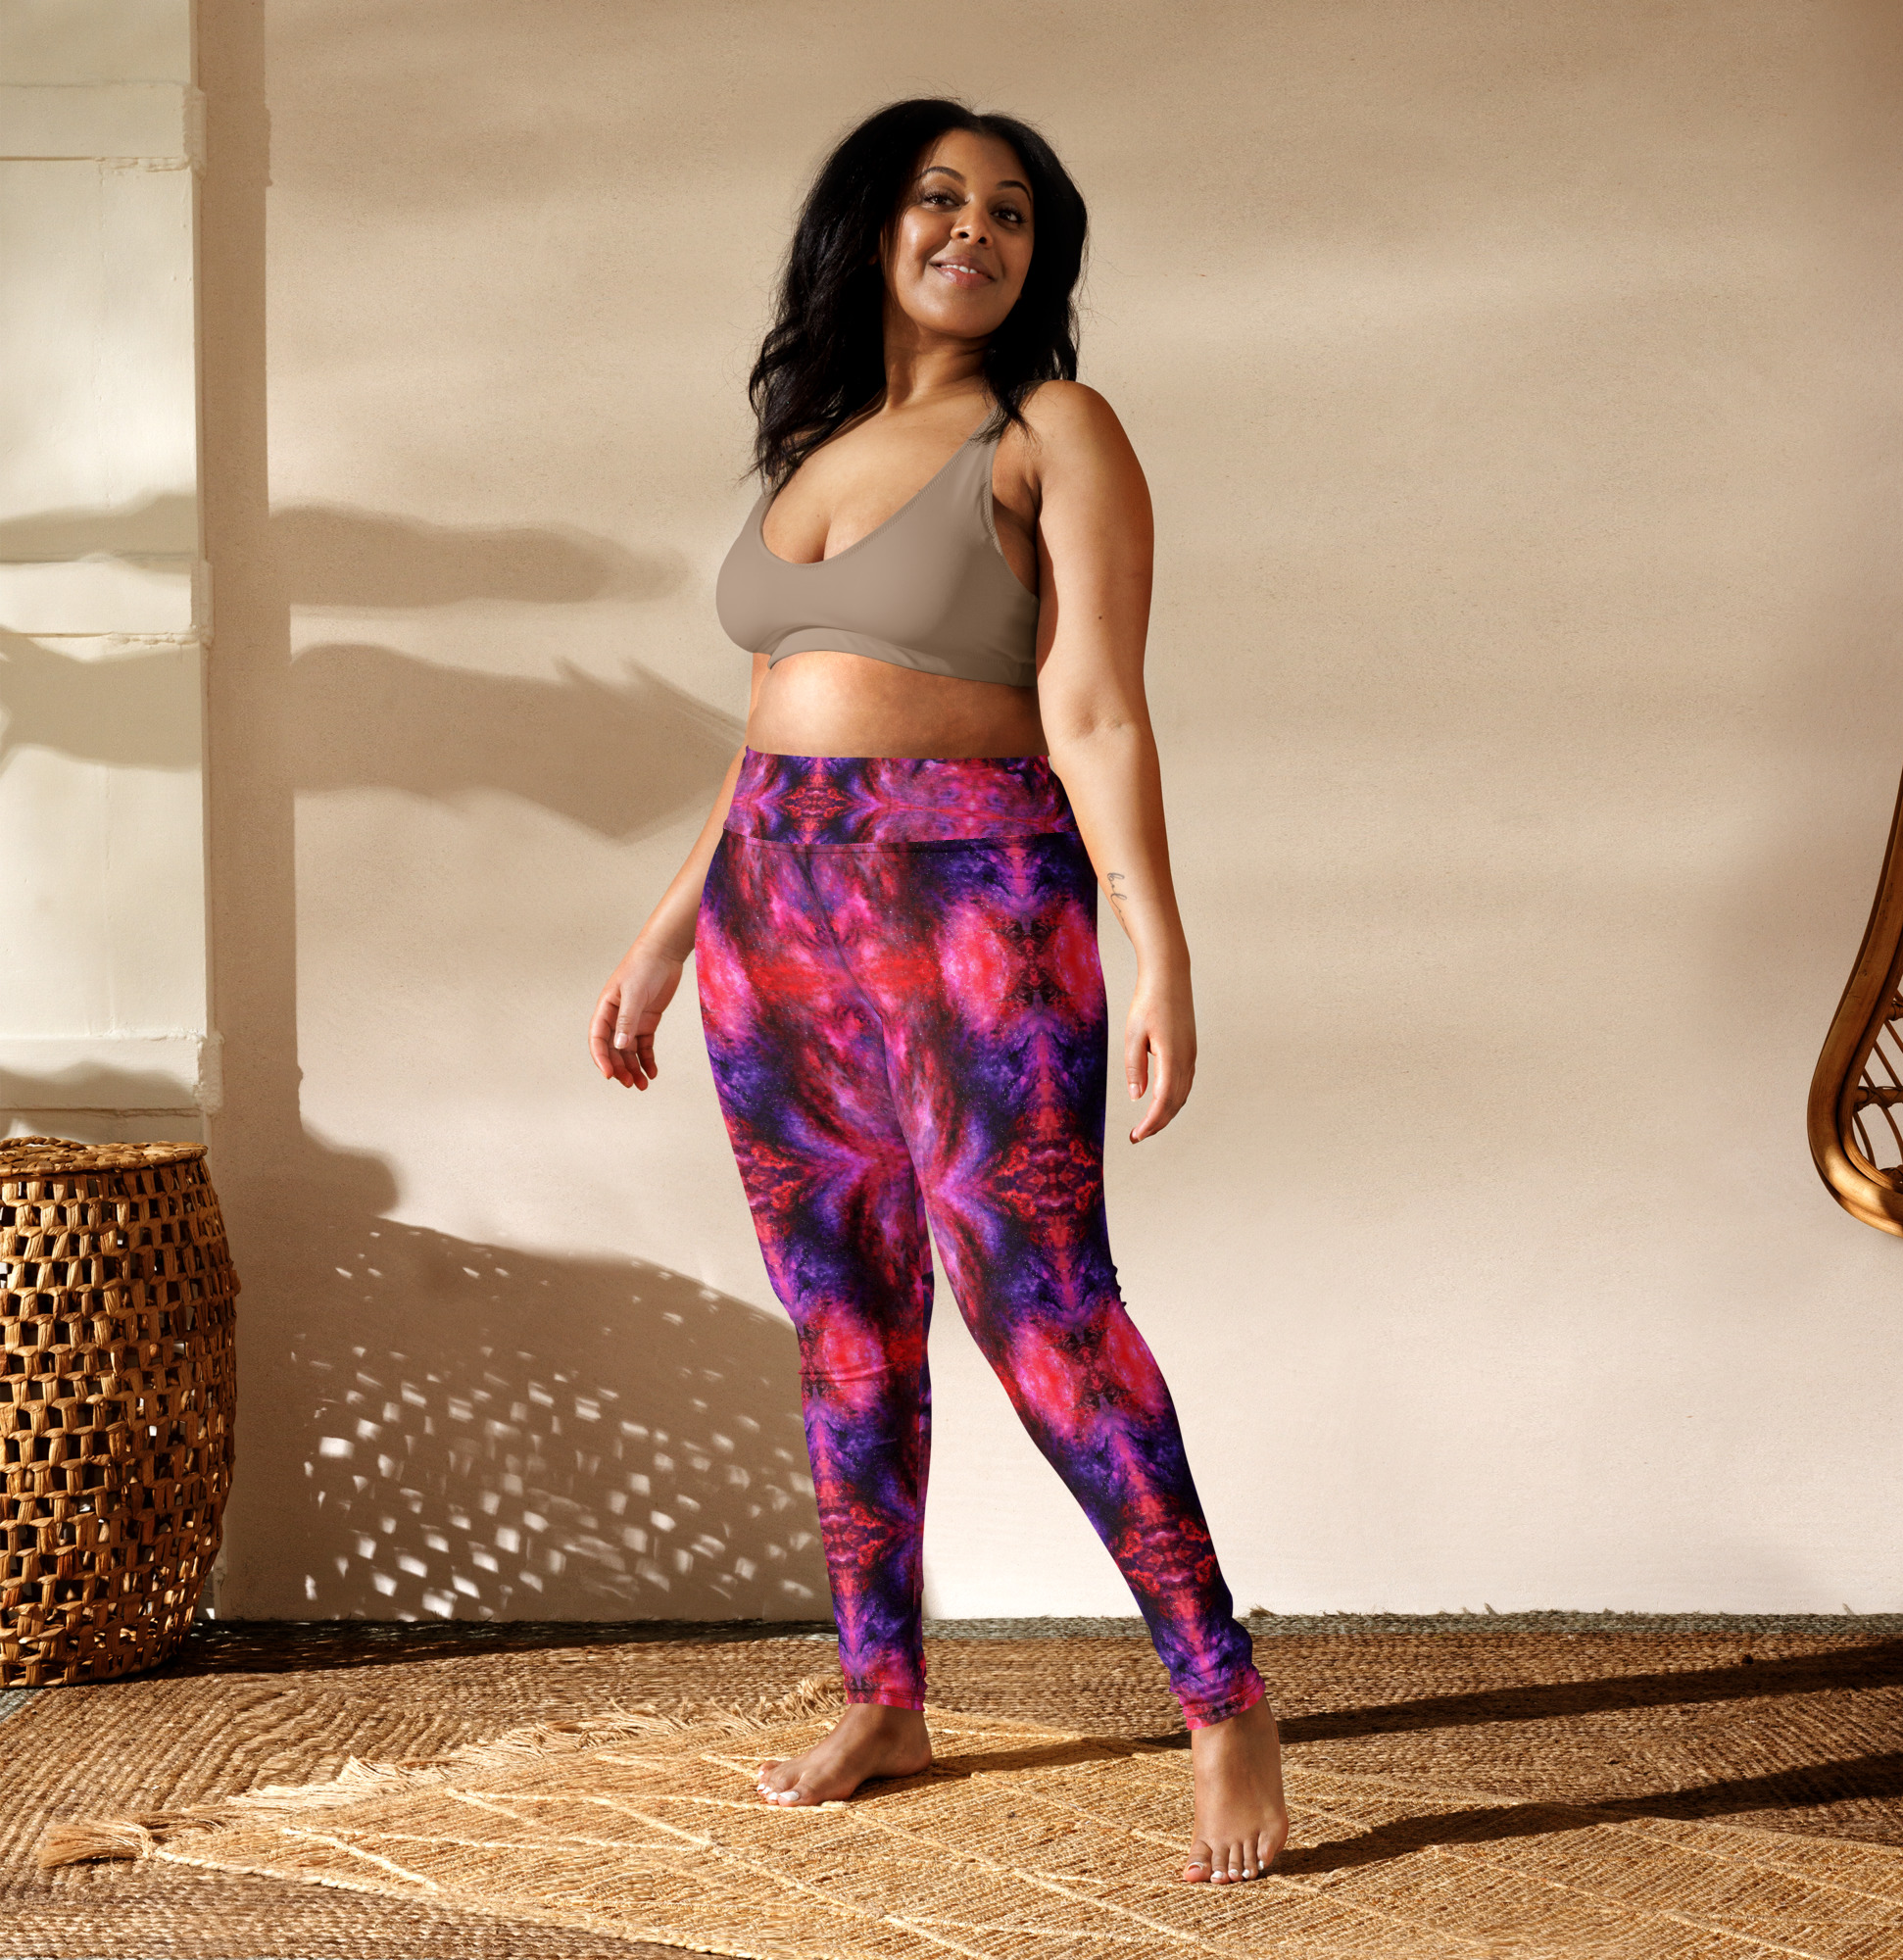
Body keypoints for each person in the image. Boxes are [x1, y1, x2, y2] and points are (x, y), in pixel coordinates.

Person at [590, 97, 1288, 1885]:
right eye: (938, 196)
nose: (976, 228)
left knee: (1041, 1305)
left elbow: (1097, 704)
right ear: (870, 225)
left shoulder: (1052, 428)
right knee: (841, 1320)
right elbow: (773, 727)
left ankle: (1223, 1699)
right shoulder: (821, 442)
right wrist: (673, 930)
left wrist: (1156, 937)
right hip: (773, 912)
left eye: (1012, 211)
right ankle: (883, 1695)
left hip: (974, 899)